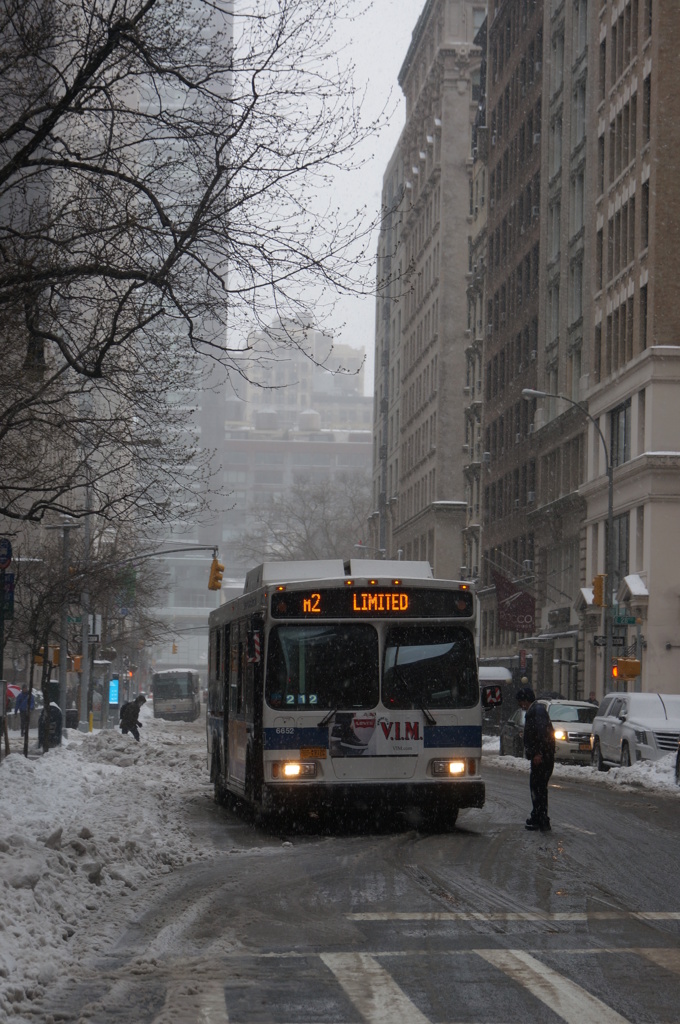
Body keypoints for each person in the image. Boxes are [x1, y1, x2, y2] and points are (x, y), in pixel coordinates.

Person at [516, 686, 555, 832]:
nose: (520, 706)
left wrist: (538, 753)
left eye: (520, 702)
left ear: (525, 700)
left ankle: (542, 818)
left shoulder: (536, 711)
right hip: (543, 756)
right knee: (538, 787)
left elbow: (541, 732)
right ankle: (538, 816)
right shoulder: (536, 710)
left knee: (538, 788)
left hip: (542, 758)